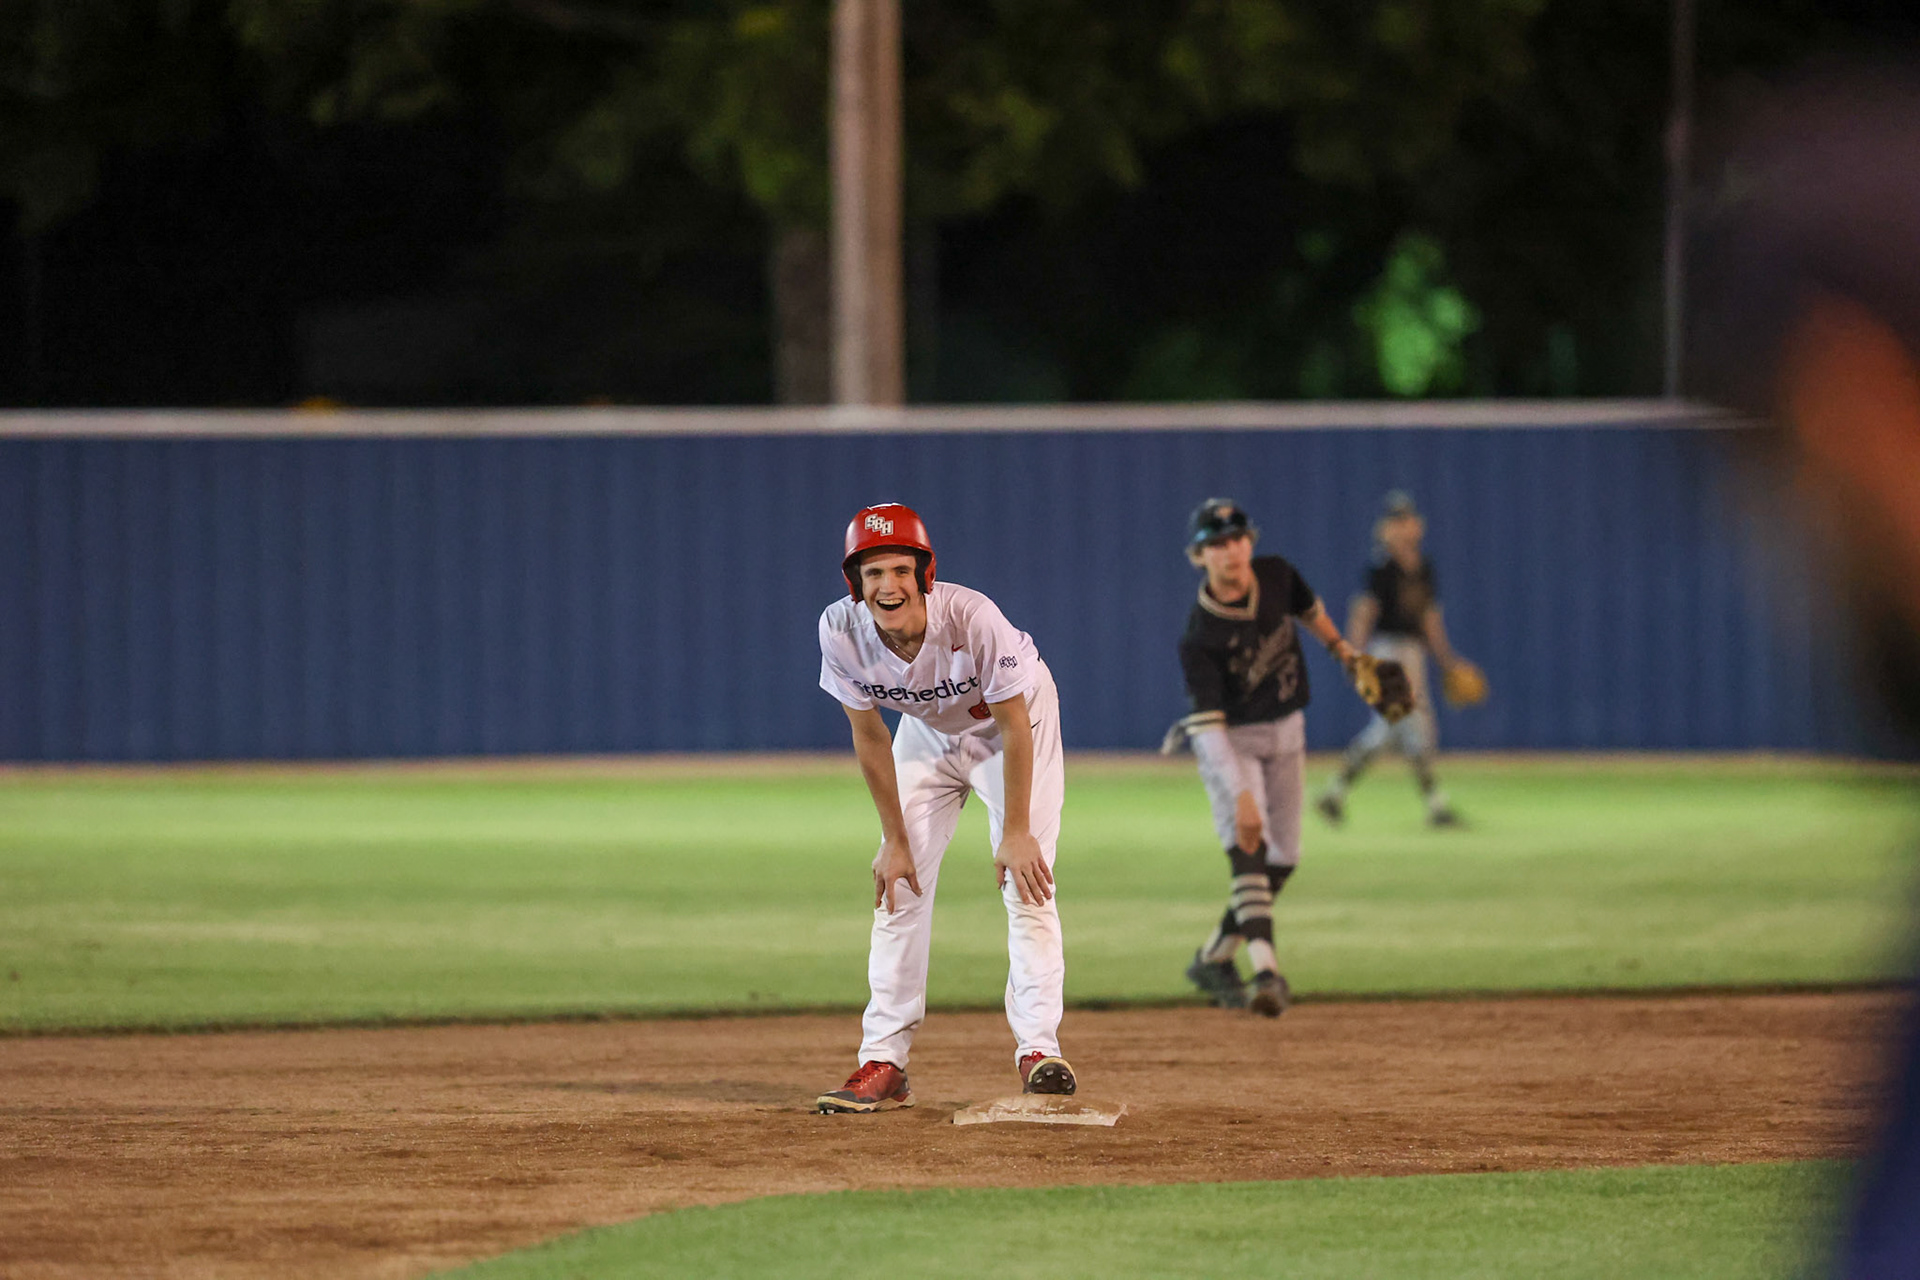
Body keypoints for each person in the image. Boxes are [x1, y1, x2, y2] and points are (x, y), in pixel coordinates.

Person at [813, 502, 1074, 1113]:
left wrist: (1015, 830)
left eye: (900, 570)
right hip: (926, 735)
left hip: (1012, 730)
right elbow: (870, 734)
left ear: (924, 574)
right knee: (898, 885)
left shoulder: (973, 618)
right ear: (856, 583)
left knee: (1027, 883)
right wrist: (894, 839)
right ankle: (884, 1061)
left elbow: (1013, 723)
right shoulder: (839, 631)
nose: (888, 585)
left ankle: (1038, 1049)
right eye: (873, 572)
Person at [1168, 498, 1369, 1016]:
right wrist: (1239, 795)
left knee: (1286, 856)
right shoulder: (1200, 634)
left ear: (1250, 542)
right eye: (1216, 543)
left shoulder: (1276, 574)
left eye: (1237, 538)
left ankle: (1213, 957)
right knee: (1250, 843)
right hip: (1231, 741)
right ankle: (1267, 971)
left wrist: (1343, 652)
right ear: (1198, 557)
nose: (1230, 550)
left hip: (1287, 728)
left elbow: (1309, 610)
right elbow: (1209, 728)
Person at [1315, 491, 1478, 828]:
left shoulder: (1424, 569)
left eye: (1407, 520)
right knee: (1413, 728)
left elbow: (1430, 619)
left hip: (1413, 653)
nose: (1403, 527)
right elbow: (1362, 613)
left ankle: (1334, 794)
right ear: (1385, 529)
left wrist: (1446, 660)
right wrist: (1353, 656)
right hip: (1386, 650)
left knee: (1395, 730)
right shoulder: (1381, 568)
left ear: (1417, 525)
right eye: (1396, 521)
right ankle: (1436, 806)